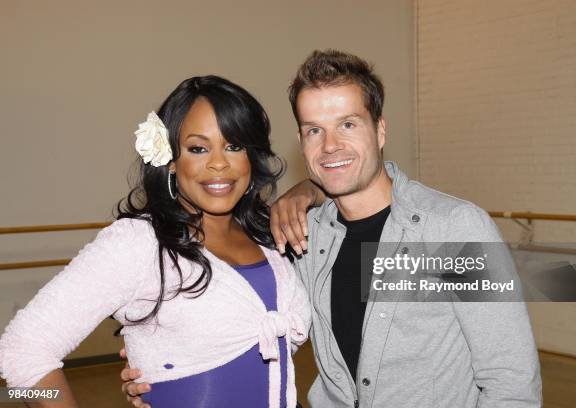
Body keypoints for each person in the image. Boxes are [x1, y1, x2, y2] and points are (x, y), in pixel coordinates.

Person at [122, 50, 542, 408]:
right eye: (314, 131)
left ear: (379, 130)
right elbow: (235, 326)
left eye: (348, 124)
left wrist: (306, 190)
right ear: (302, 141)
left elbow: (511, 379)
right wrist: (164, 368)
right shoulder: (301, 236)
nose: (330, 146)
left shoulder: (453, 229)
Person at [0, 76, 311, 408]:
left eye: (234, 146)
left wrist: (313, 188)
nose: (219, 163)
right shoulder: (138, 243)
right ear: (171, 160)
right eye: (198, 148)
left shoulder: (273, 234)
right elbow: (19, 352)